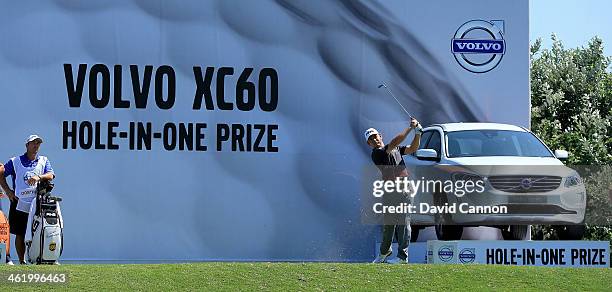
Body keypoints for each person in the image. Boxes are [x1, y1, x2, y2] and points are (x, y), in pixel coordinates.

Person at [365, 118, 421, 264]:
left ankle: (403, 257)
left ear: (380, 136)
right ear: (369, 144)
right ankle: (384, 252)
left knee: (403, 223)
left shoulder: (395, 149)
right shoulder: (377, 153)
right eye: (371, 139)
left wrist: (418, 134)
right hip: (390, 190)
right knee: (389, 224)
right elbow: (395, 142)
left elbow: (412, 148)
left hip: (404, 188)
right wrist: (410, 128)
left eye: (376, 136)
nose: (375, 139)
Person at [0, 135, 55, 264]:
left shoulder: (43, 160)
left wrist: (39, 177)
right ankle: (22, 261)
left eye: (38, 143)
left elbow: (51, 175)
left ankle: (39, 259)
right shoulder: (15, 161)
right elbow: (1, 173)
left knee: (40, 231)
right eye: (33, 143)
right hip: (19, 202)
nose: (36, 146)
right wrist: (8, 191)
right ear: (27, 145)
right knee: (19, 234)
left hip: (37, 203)